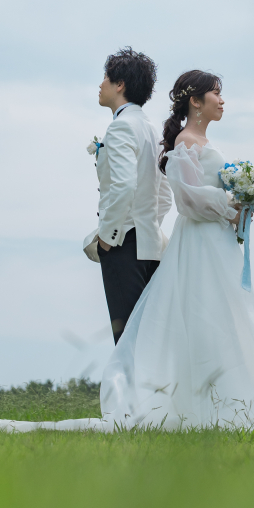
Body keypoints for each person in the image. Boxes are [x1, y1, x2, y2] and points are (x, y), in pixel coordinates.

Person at [0, 69, 254, 434]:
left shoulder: (169, 137)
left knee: (229, 317)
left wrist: (234, 208)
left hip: (214, 244)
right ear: (195, 101)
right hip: (197, 244)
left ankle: (230, 399)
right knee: (202, 315)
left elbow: (160, 195)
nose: (222, 101)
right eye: (216, 94)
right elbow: (185, 200)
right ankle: (195, 401)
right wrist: (230, 202)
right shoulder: (184, 143)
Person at [83, 47, 173, 343]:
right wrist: (146, 223)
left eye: (105, 78)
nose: (100, 85)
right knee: (146, 340)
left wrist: (108, 239)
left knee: (128, 343)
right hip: (150, 245)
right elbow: (164, 197)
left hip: (123, 245)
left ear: (119, 84)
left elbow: (122, 186)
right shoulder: (150, 129)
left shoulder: (122, 127)